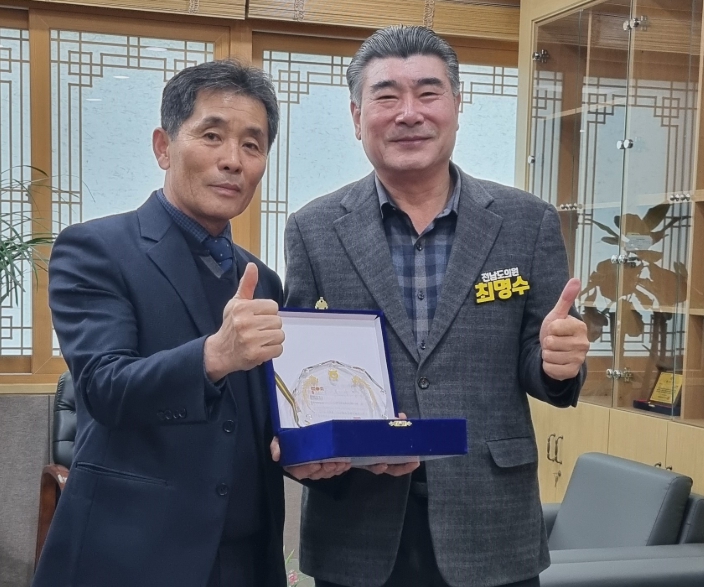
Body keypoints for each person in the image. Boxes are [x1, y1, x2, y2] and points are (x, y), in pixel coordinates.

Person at [283, 26, 590, 587]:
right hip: (357, 521)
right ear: (357, 117)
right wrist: (302, 447)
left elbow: (539, 358)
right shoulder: (313, 228)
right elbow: (299, 368)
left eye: (428, 93)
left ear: (456, 105)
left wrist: (557, 362)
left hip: (491, 521)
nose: (409, 113)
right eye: (386, 97)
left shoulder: (527, 221)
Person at [33, 59, 341, 587]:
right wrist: (214, 356)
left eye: (252, 144)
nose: (232, 160)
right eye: (212, 135)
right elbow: (104, 388)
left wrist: (311, 450)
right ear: (163, 146)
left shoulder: (262, 280)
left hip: (248, 559)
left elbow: (265, 421)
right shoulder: (96, 249)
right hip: (131, 557)